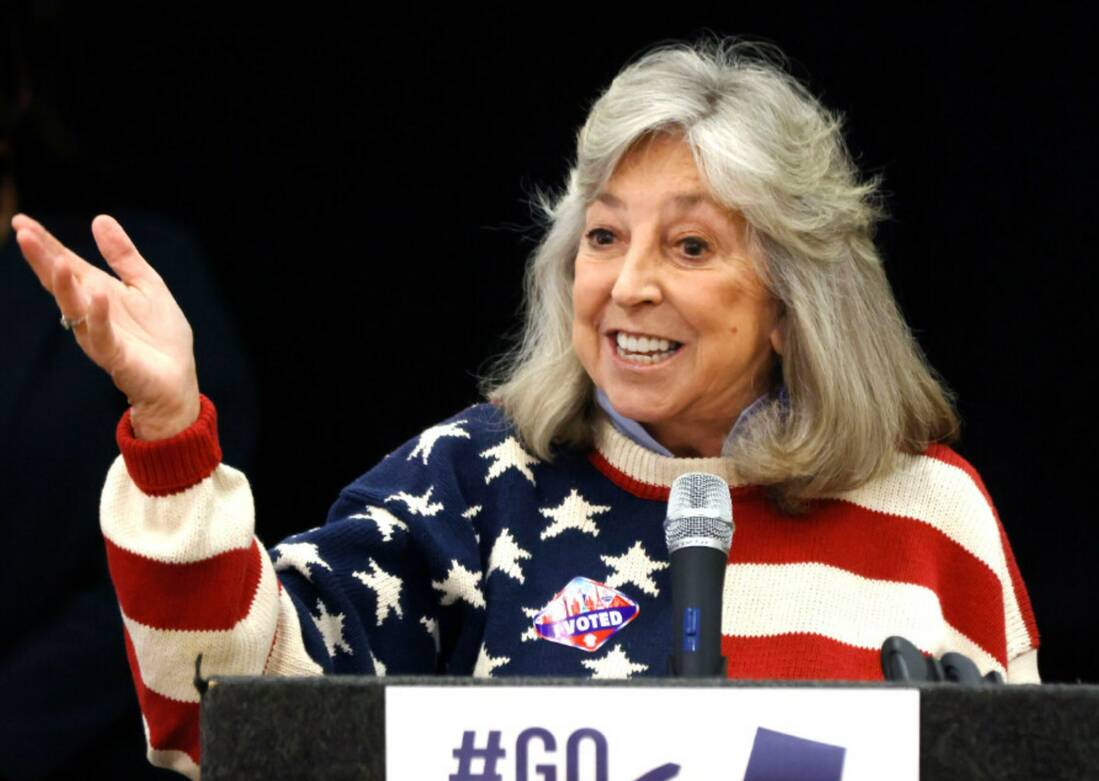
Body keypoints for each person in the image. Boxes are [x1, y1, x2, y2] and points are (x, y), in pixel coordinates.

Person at [12, 37, 1039, 779]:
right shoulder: (468, 482)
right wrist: (169, 433)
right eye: (603, 237)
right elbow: (228, 712)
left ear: (790, 301)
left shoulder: (930, 512)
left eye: (688, 246)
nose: (628, 284)